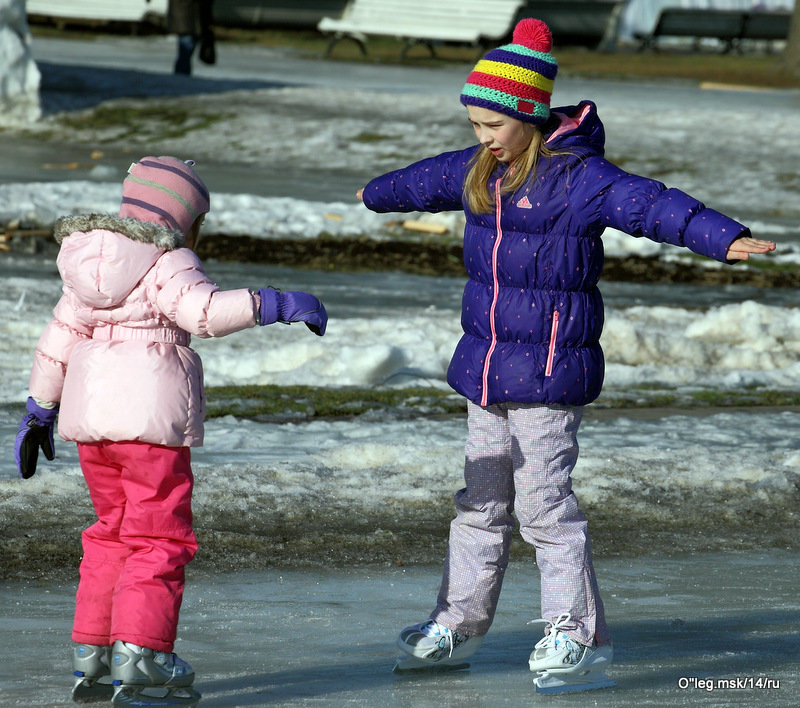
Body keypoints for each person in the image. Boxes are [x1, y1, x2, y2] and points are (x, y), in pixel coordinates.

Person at [356, 18, 776, 693]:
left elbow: (651, 205)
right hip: (486, 371)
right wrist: (377, 193)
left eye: (491, 124)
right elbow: (420, 181)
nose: (481, 137)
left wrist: (723, 237)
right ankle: (457, 623)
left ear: (527, 115)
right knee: (479, 503)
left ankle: (576, 634)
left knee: (545, 510)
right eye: (473, 125)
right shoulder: (479, 170)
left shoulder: (578, 178)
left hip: (548, 375)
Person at [14, 156, 327, 706]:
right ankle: (142, 652)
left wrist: (40, 409)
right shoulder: (166, 258)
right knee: (158, 538)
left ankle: (94, 648)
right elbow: (202, 311)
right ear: (185, 219)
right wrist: (273, 303)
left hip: (91, 428)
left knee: (112, 531)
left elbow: (58, 339)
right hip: (149, 427)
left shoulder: (90, 264)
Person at [167, 0, 215, 76]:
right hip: (185, 17)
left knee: (187, 50)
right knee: (186, 48)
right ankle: (181, 75)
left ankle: (183, 75)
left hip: (194, 18)